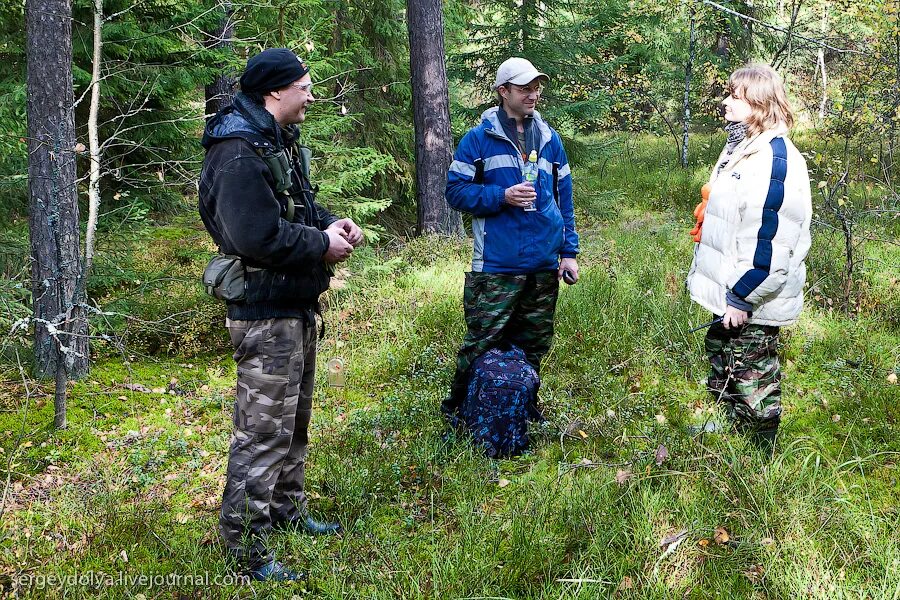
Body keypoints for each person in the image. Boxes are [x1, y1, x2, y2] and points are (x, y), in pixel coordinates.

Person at [198, 48, 363, 581]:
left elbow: (297, 208)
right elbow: (255, 235)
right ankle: (244, 550)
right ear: (275, 91)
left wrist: (333, 224)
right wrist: (319, 244)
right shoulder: (237, 153)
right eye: (305, 86)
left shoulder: (275, 142)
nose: (312, 96)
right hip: (264, 311)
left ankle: (287, 514)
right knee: (262, 431)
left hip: (293, 304)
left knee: (293, 422)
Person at [442, 57, 580, 419]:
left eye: (536, 87)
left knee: (533, 343)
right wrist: (500, 197)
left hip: (543, 263)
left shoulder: (550, 140)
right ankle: (459, 412)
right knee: (482, 342)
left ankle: (523, 405)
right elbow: (455, 193)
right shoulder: (478, 140)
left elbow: (564, 199)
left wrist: (569, 252)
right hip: (496, 265)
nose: (533, 94)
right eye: (524, 88)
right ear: (503, 92)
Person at [686, 63, 812, 451]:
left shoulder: (775, 159)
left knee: (751, 367)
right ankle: (730, 424)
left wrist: (743, 295)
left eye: (735, 97)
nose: (725, 103)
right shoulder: (741, 149)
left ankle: (761, 449)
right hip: (730, 286)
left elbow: (772, 238)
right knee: (722, 353)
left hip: (752, 291)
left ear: (758, 104)